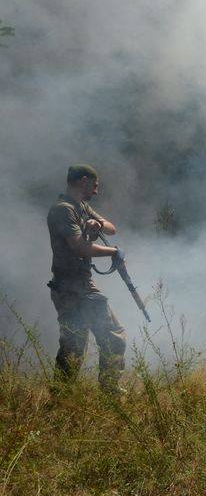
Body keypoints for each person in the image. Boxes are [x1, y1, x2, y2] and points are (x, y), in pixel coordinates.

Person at [46, 164, 127, 390]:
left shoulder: (79, 206)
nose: (96, 191)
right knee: (112, 337)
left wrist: (97, 222)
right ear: (83, 181)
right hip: (74, 288)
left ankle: (61, 399)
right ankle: (110, 393)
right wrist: (114, 252)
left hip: (76, 286)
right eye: (95, 185)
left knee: (73, 346)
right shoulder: (63, 210)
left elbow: (111, 229)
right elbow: (81, 248)